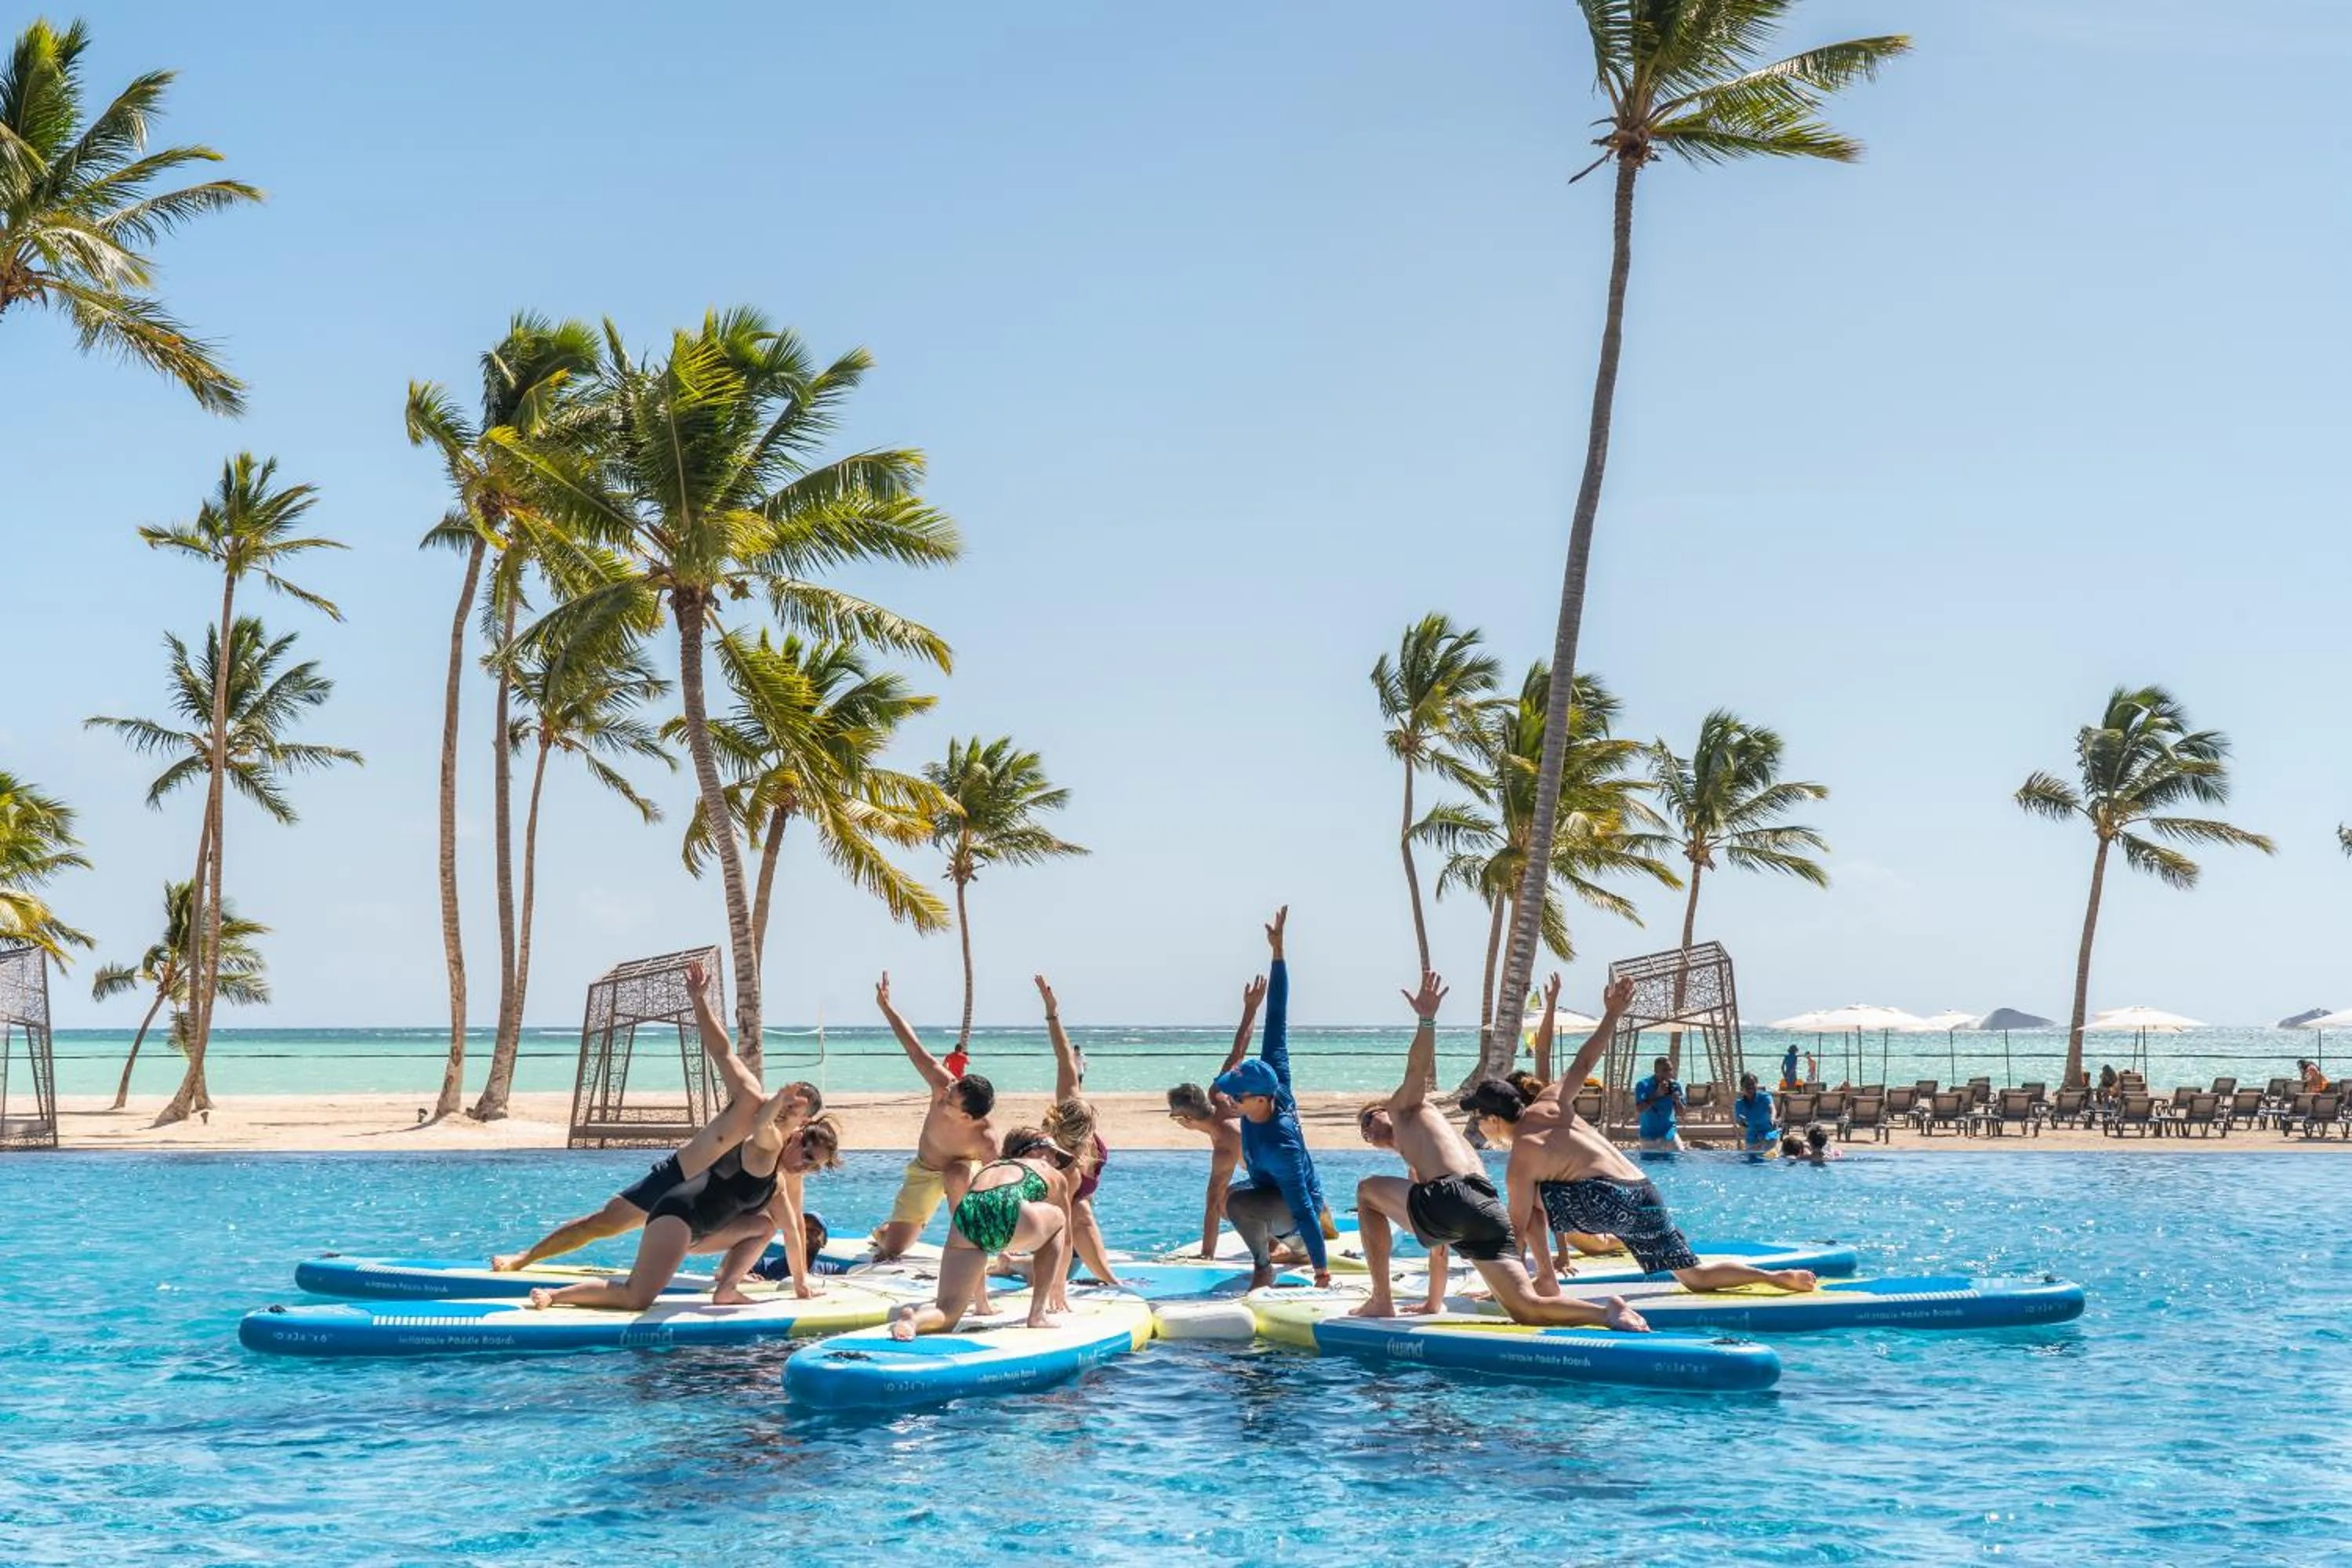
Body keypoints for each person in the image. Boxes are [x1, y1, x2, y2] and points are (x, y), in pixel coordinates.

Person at [1464, 975, 1819, 1300]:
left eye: (1478, 1119)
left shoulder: (1523, 1156)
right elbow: (1585, 1063)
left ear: (1494, 1119)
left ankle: (1543, 1280)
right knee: (1693, 1275)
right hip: (1645, 1191)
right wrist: (1613, 1014)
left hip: (1614, 1202)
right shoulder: (1551, 1102)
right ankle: (1773, 1278)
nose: (1477, 1126)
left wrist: (1507, 1289)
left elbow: (1518, 1229)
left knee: (1528, 1202)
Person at [1352, 971, 1648, 1331]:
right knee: (1526, 1309)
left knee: (1366, 1190)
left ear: (1386, 1107)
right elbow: (1440, 1246)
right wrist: (1433, 1302)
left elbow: (1416, 1068)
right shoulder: (1423, 1163)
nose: (1368, 1129)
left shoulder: (1405, 1107)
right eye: (1363, 1133)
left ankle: (1381, 1300)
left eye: (1369, 1118)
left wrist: (1426, 1019)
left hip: (1459, 1197)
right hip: (1486, 1211)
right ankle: (1606, 1311)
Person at [492, 958, 820, 1273]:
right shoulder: (750, 1098)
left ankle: (731, 1276)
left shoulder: (786, 1156)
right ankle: (526, 1257)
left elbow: (794, 1221)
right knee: (603, 1224)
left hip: (709, 1210)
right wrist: (698, 1001)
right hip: (675, 1178)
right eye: (789, 1096)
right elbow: (721, 1051)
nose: (787, 1106)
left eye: (796, 1107)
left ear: (804, 1121)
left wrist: (802, 1280)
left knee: (763, 1222)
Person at [528, 1102, 843, 1311]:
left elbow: (792, 1232)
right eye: (808, 1157)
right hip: (675, 1218)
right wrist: (782, 1101)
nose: (805, 1167)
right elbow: (763, 1123)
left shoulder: (777, 1183)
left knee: (764, 1227)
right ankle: (556, 1295)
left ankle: (727, 1290)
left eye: (814, 1167)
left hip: (702, 1232)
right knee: (636, 1298)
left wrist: (802, 1284)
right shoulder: (762, 1152)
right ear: (796, 1138)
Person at [889, 1100, 1098, 1339]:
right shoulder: (1045, 1169)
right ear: (1035, 1151)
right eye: (1053, 1154)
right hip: (1011, 1210)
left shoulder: (990, 1169)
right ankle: (1037, 1314)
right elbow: (1067, 1239)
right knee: (1060, 1218)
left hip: (967, 1217)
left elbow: (984, 1211)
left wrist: (982, 1304)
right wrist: (1058, 1286)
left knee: (946, 1311)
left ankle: (913, 1319)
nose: (1055, 1161)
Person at [1209, 906, 1334, 1290]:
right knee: (1226, 1197)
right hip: (1277, 1193)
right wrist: (1278, 953)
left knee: (1237, 1203)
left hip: (1299, 1214)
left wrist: (1321, 1271)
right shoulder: (1274, 1075)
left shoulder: (1282, 1145)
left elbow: (1302, 1208)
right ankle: (1281, 1244)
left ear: (1260, 1101)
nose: (1229, 1101)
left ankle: (1267, 1264)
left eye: (1237, 1097)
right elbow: (1277, 1014)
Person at [1167, 975, 1313, 1262]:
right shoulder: (1222, 1095)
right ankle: (1278, 1243)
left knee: (1226, 1200)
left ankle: (1290, 1251)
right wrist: (1250, 1009)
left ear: (1185, 1117)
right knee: (1240, 1192)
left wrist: (1206, 1255)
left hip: (1293, 1204)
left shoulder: (1224, 1146)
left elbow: (1211, 1203)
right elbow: (1238, 1053)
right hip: (1295, 1181)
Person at [870, 971, 1001, 1259]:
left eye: (951, 1100)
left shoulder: (985, 1138)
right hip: (924, 1169)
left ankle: (962, 1244)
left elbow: (998, 1188)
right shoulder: (944, 1085)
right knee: (891, 1249)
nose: (944, 1094)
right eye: (950, 1087)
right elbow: (914, 1049)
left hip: (963, 1173)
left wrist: (1002, 1245)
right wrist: (886, 1007)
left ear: (968, 1117)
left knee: (956, 1174)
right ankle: (885, 1231)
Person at [1525, 972, 1621, 1265]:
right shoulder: (1533, 1118)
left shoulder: (1545, 1113)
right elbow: (1541, 1050)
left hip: (1583, 1225)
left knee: (1603, 1245)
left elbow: (1553, 1197)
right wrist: (1551, 1003)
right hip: (1578, 1209)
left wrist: (1563, 1258)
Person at [1035, 974, 1123, 1286]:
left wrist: (1052, 1013)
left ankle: (1012, 1265)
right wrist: (1055, 1289)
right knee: (1081, 1211)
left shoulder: (1075, 1126)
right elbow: (1066, 1230)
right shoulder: (1067, 1170)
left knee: (1083, 1209)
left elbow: (1064, 1058)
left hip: (1065, 1236)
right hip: (1043, 1228)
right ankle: (1111, 1280)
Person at [1633, 1054, 1686, 1152]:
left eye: (1670, 1070)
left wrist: (1677, 1101)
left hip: (1669, 1133)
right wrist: (1657, 1095)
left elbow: (1682, 1113)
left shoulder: (1675, 1086)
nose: (1668, 1073)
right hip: (1649, 1135)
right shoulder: (1643, 1085)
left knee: (1679, 1157)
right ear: (1656, 1071)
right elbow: (1640, 1109)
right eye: (1665, 1070)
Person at [1731, 1071, 1777, 1154]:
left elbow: (1772, 1108)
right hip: (1752, 1138)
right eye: (1747, 1084)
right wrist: (1742, 1121)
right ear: (1742, 1087)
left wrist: (1772, 1119)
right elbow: (1738, 1120)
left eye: (1753, 1084)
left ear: (1757, 1085)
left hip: (1768, 1136)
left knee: (1768, 1159)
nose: (1750, 1087)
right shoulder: (1739, 1103)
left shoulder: (1765, 1097)